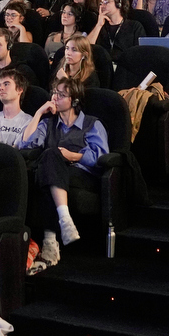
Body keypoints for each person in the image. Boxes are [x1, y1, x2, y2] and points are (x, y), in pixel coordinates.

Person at [20, 77, 109, 269]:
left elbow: (101, 157)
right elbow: (25, 144)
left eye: (61, 95)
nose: (55, 98)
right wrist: (38, 113)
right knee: (49, 159)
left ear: (74, 100)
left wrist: (72, 156)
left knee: (49, 161)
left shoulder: (92, 124)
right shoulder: (48, 123)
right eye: (54, 93)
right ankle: (63, 220)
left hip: (82, 176)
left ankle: (51, 242)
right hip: (54, 173)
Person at [0, 69, 36, 145]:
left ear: (20, 89)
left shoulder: (28, 122)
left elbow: (18, 149)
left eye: (6, 84)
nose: (1, 88)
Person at [87, 0, 145, 64]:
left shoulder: (134, 26)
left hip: (126, 66)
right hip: (104, 67)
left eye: (106, 2)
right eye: (101, 3)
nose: (102, 6)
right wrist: (99, 25)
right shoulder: (100, 26)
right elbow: (85, 48)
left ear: (119, 4)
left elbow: (140, 53)